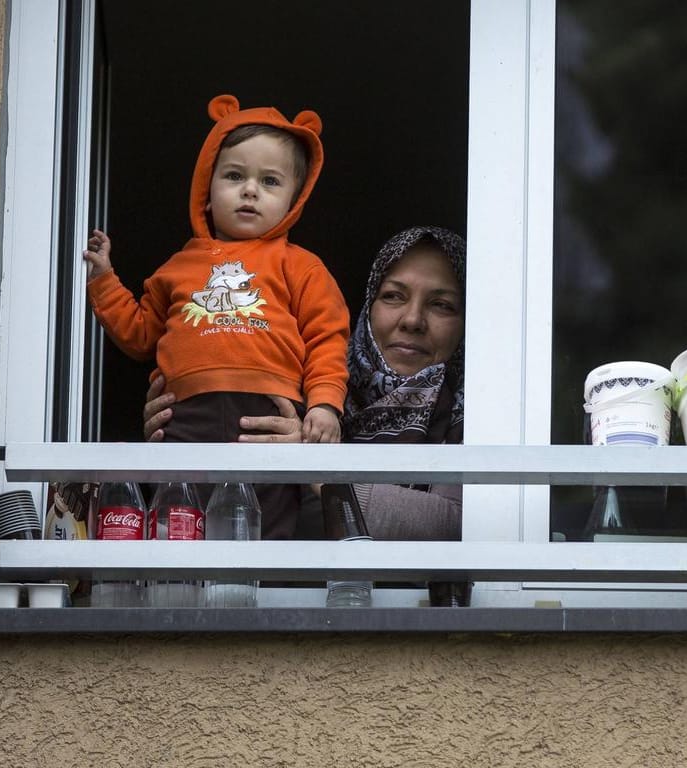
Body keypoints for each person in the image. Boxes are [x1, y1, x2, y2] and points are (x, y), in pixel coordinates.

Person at [83, 94, 350, 539]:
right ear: (206, 189)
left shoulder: (301, 265)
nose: (250, 190)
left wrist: (324, 404)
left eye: (269, 181)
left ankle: (262, 603)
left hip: (268, 414)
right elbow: (139, 335)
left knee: (266, 531)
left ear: (293, 201)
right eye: (233, 175)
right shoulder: (178, 266)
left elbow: (327, 340)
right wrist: (104, 280)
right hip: (185, 416)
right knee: (181, 525)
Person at [143, 226, 466, 541]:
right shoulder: (301, 388)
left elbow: (460, 523)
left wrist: (316, 470)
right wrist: (186, 429)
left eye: (442, 305)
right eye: (394, 296)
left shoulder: (478, 415)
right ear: (369, 305)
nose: (412, 320)